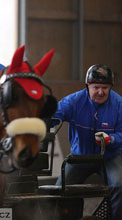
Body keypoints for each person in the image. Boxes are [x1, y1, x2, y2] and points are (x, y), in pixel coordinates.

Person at [53, 64, 122, 220]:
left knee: (119, 185)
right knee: (59, 189)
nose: (100, 91)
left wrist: (111, 139)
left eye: (105, 87)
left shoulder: (119, 105)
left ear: (111, 87)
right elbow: (54, 116)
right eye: (96, 87)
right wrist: (42, 123)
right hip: (80, 157)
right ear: (87, 86)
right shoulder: (73, 101)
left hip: (109, 157)